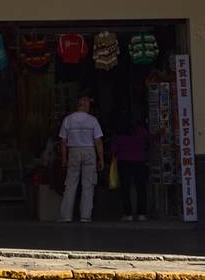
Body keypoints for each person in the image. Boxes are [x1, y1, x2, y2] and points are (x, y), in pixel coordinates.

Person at [58, 94, 104, 223]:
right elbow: (98, 141)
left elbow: (63, 141)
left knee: (71, 184)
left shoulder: (68, 119)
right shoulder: (92, 120)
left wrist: (64, 158)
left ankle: (66, 215)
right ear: (86, 105)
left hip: (73, 151)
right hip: (89, 151)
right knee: (88, 185)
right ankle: (85, 216)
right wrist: (101, 158)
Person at [111, 117, 150, 220]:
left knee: (125, 188)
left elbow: (114, 149)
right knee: (141, 188)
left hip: (124, 162)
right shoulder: (141, 131)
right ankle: (142, 213)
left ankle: (127, 214)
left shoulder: (118, 133)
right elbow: (149, 139)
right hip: (139, 162)